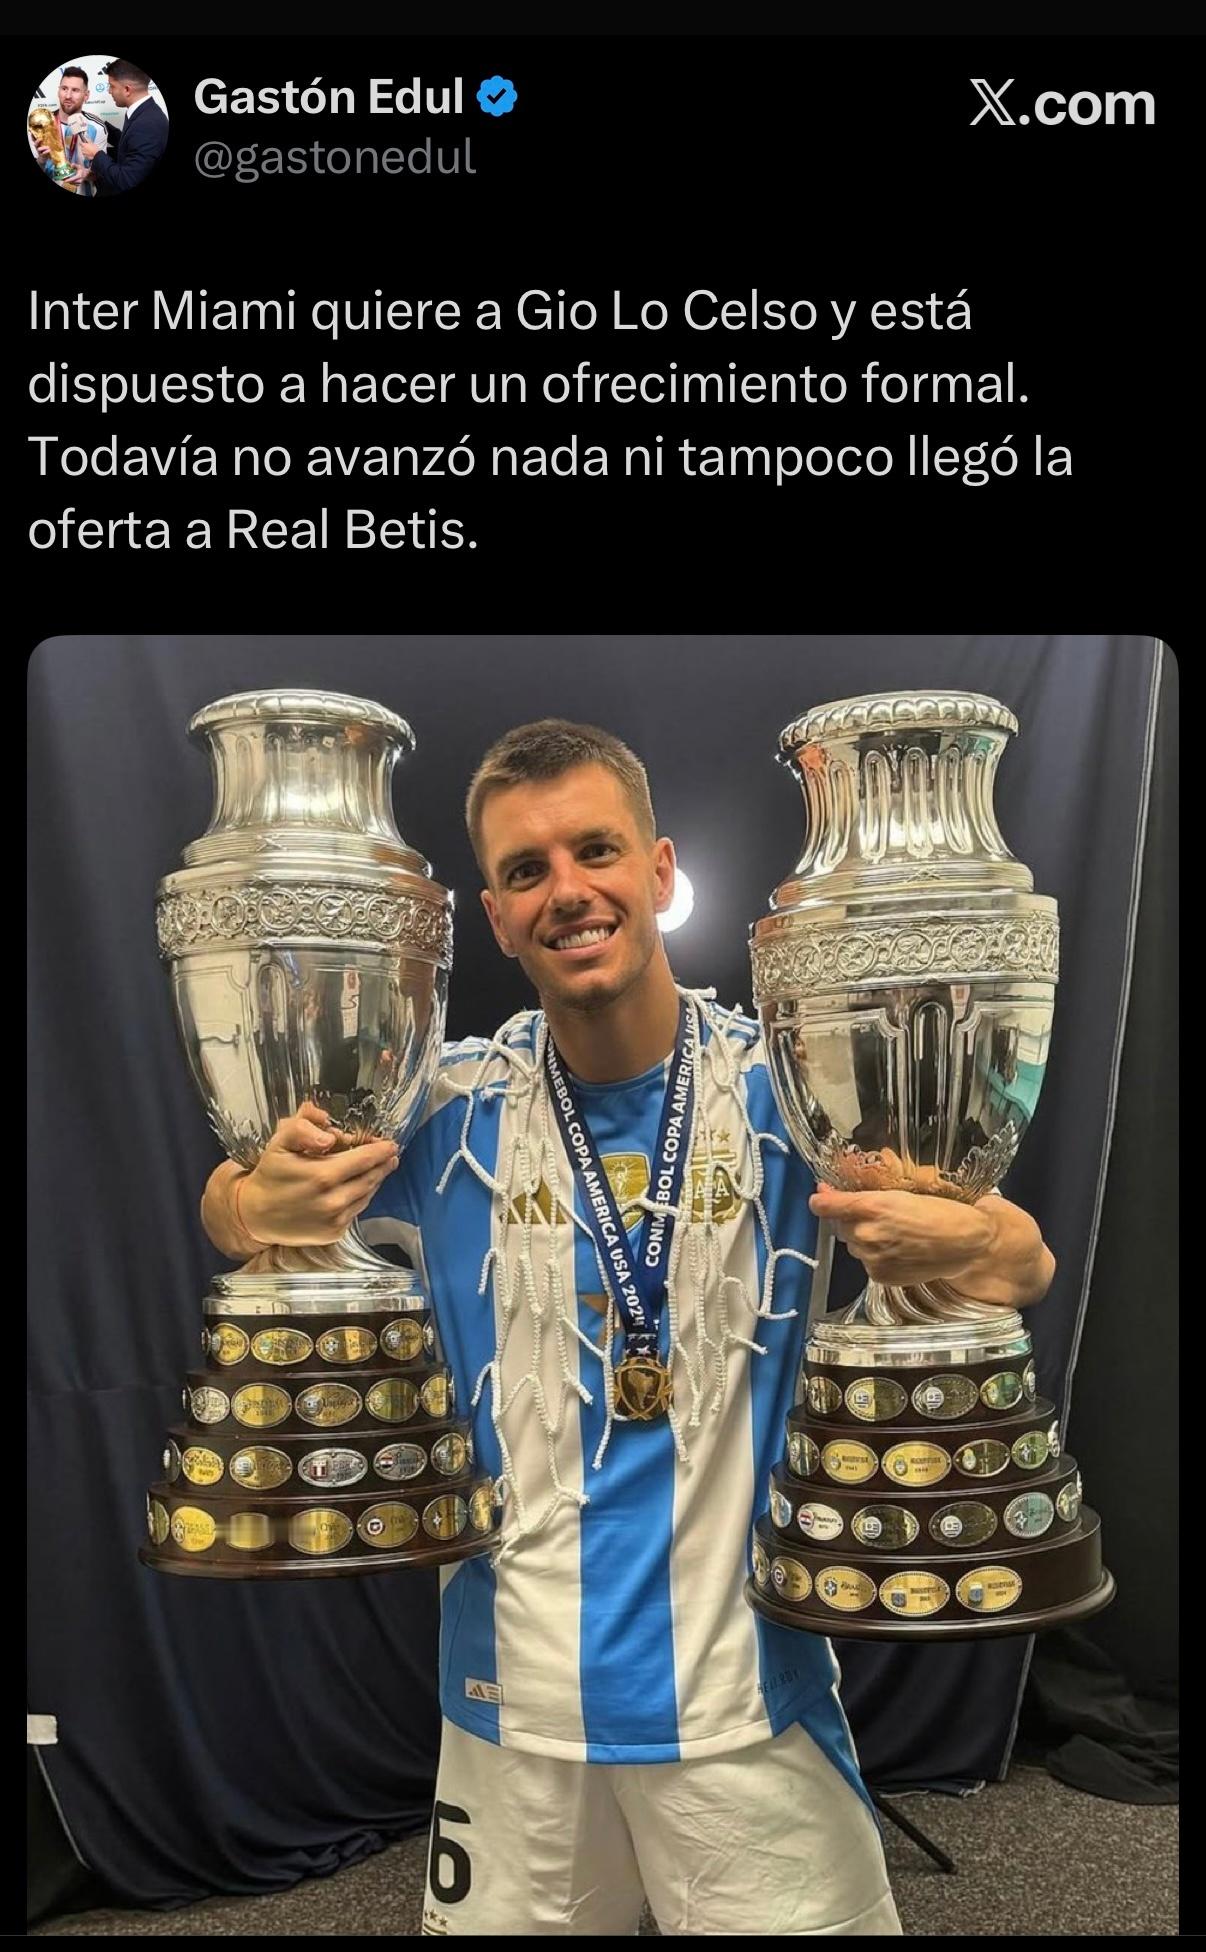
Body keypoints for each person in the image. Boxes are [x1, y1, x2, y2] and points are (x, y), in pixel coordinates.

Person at [201, 720, 1055, 1936]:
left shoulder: (792, 1091)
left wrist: (973, 1247)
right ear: (496, 918)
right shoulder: (443, 1110)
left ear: (659, 870)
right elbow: (243, 1199)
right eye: (525, 869)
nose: (567, 889)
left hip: (742, 1702)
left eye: (595, 850)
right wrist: (248, 1202)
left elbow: (1021, 1257)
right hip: (511, 1707)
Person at [74, 61, 167, 196]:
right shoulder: (144, 112)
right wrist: (98, 122)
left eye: (112, 86)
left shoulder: (147, 124)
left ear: (127, 89)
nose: (109, 91)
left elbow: (127, 180)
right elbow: (131, 143)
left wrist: (96, 154)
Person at [31, 68, 107, 198]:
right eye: (64, 88)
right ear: (58, 91)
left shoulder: (97, 127)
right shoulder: (40, 125)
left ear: (86, 95)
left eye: (75, 90)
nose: (68, 96)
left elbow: (101, 174)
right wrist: (42, 159)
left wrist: (86, 174)